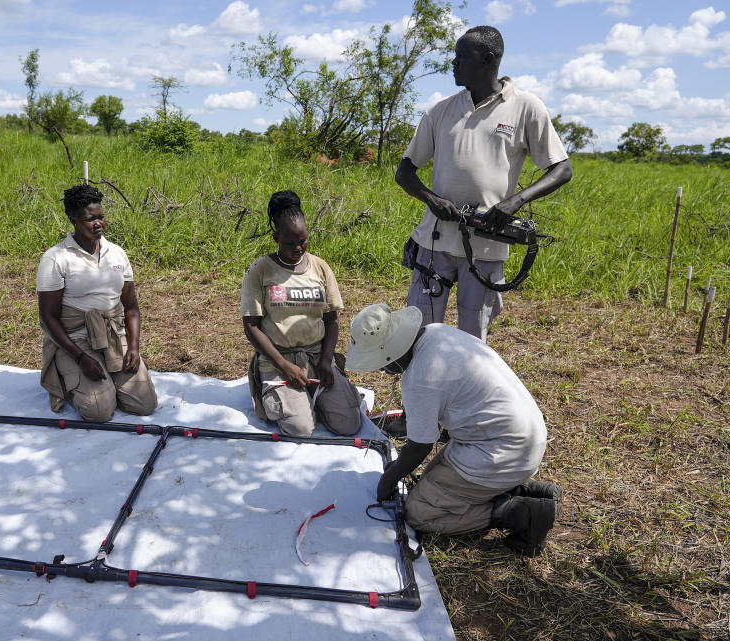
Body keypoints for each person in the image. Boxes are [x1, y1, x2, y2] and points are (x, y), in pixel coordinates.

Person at [395, 25, 572, 341]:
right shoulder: (441, 110)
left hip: (487, 244)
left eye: (462, 56)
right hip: (435, 241)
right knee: (420, 333)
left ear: (489, 60)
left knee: (473, 337)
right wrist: (432, 200)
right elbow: (405, 172)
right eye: (455, 55)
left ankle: (465, 389)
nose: (454, 62)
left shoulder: (526, 107)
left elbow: (561, 169)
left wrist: (515, 201)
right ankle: (425, 388)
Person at [347, 303, 562, 556]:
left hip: (502, 451)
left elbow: (420, 446)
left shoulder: (420, 378)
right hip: (524, 436)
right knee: (430, 481)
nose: (382, 371)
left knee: (419, 512)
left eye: (380, 364)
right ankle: (524, 490)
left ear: (390, 352)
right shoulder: (436, 333)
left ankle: (522, 514)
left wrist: (388, 480)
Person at [240, 190, 363, 437]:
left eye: (303, 241)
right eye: (290, 243)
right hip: (278, 358)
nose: (298, 248)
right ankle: (280, 394)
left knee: (349, 425)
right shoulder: (260, 270)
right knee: (300, 428)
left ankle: (312, 396)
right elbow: (251, 327)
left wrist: (326, 361)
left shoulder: (320, 267)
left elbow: (331, 320)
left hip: (316, 356)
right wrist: (284, 366)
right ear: (276, 237)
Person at [37, 184, 158, 422]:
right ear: (73, 220)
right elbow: (48, 318)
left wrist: (133, 347)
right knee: (98, 411)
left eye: (101, 217)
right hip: (76, 338)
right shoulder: (56, 258)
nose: (98, 223)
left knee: (145, 404)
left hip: (113, 335)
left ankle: (109, 379)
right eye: (89, 219)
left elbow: (131, 307)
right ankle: (66, 379)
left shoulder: (116, 254)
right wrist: (81, 358)